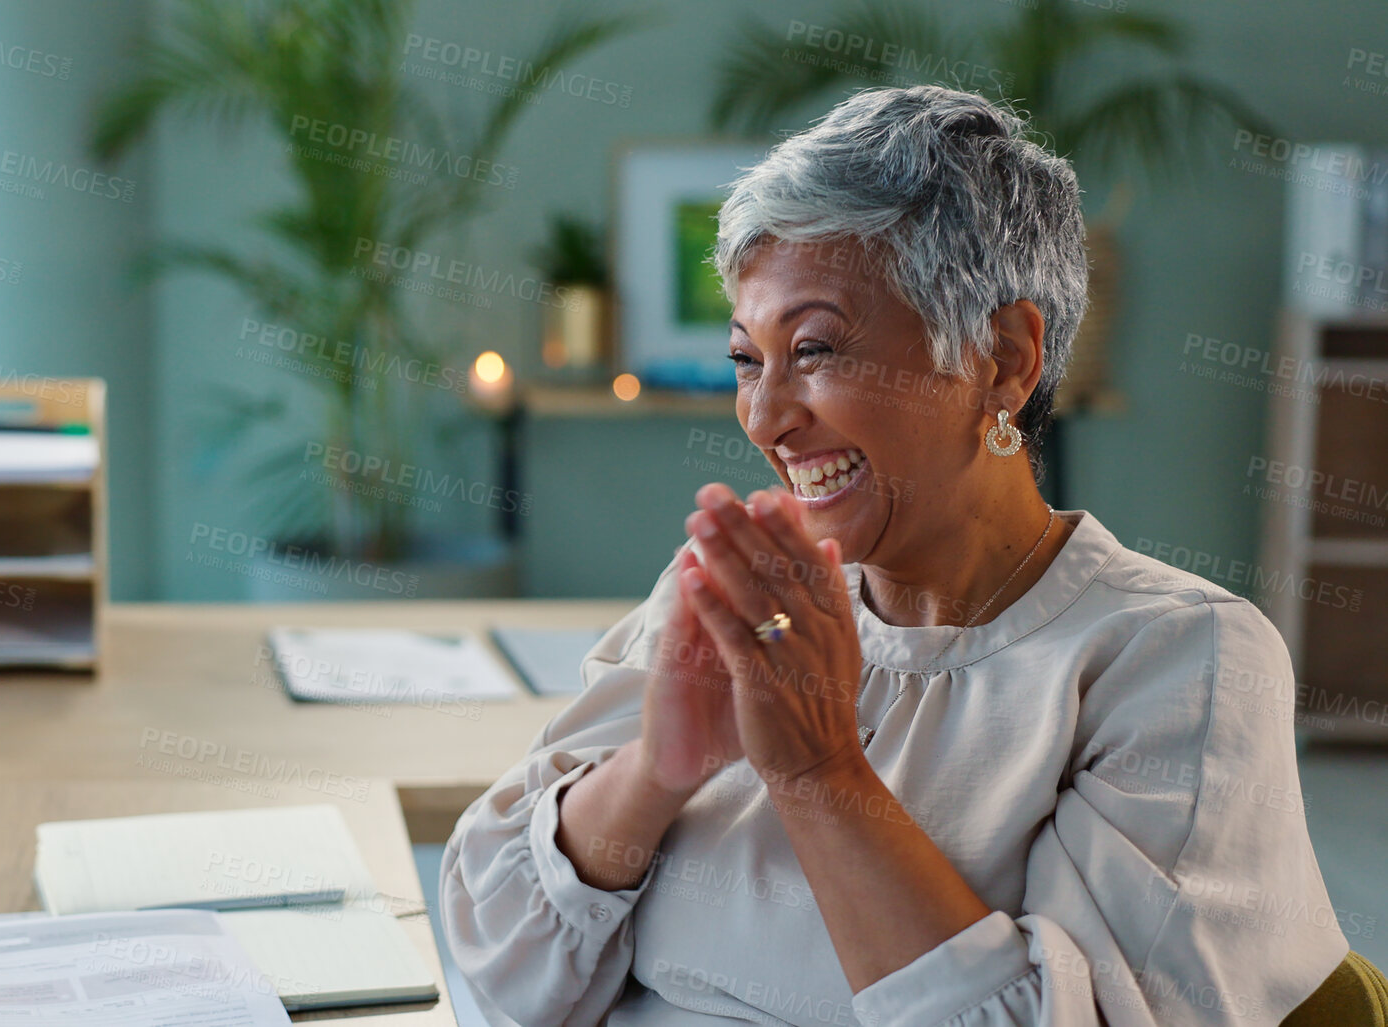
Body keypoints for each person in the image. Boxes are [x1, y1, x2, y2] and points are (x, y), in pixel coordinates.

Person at [438, 85, 1348, 1026]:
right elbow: (500, 972)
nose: (763, 415)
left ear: (1001, 358)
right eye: (747, 358)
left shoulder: (1176, 661)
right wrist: (654, 772)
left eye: (816, 348)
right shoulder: (745, 590)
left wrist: (821, 769)